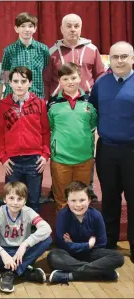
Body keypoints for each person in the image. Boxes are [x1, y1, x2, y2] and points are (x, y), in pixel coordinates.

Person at [43, 13, 105, 202]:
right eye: (68, 26)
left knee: (85, 142)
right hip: (59, 105)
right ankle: (57, 187)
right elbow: (47, 80)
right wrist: (48, 101)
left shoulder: (92, 49)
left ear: (81, 28)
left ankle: (88, 187)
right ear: (61, 29)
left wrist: (98, 101)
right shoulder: (52, 51)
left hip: (86, 104)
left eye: (76, 26)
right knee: (60, 142)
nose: (72, 29)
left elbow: (100, 75)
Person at [89, 41, 134, 263]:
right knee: (110, 198)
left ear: (132, 59)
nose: (119, 61)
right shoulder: (101, 84)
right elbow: (93, 109)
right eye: (115, 57)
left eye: (124, 56)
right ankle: (109, 243)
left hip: (132, 150)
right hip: (106, 149)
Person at [0, 182, 52, 293]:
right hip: (4, 252)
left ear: (25, 201)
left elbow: (47, 229)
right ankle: (23, 271)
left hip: (22, 253)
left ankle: (9, 272)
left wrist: (24, 245)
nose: (15, 203)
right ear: (5, 199)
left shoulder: (28, 212)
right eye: (11, 198)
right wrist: (2, 253)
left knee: (47, 239)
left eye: (19, 199)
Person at [0, 66, 50, 213]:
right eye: (16, 81)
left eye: (23, 81)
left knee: (33, 201)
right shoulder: (3, 105)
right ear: (10, 83)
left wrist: (45, 155)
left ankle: (33, 233)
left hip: (34, 160)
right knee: (13, 202)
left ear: (30, 83)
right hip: (12, 162)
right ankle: (14, 234)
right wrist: (3, 157)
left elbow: (45, 131)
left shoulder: (39, 103)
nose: (19, 85)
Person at [47, 181, 124, 283]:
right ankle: (102, 272)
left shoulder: (96, 215)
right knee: (53, 256)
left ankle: (70, 276)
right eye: (73, 200)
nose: (78, 205)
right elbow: (62, 244)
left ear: (89, 200)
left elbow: (101, 244)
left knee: (118, 257)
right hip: (69, 255)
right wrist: (88, 245)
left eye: (82, 200)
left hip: (91, 255)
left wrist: (73, 244)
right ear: (67, 201)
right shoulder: (63, 215)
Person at [47, 62, 97, 211]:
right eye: (65, 79)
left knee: (81, 199)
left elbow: (93, 125)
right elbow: (50, 126)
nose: (70, 82)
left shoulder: (90, 101)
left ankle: (81, 232)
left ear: (80, 78)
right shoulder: (53, 103)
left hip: (84, 158)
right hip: (61, 159)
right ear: (60, 81)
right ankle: (63, 233)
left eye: (73, 77)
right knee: (62, 199)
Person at [1, 12, 49, 99]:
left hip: (36, 97)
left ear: (35, 29)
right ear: (16, 29)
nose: (27, 29)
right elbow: (5, 76)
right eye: (23, 26)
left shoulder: (43, 49)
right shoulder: (9, 50)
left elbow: (46, 74)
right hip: (14, 98)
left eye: (30, 26)